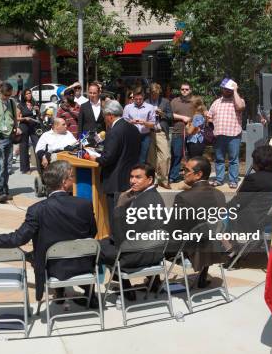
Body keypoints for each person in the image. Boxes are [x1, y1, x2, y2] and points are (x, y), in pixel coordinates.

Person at [0, 160, 98, 306]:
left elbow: (17, 239)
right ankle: (88, 293)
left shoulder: (37, 210)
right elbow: (93, 232)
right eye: (71, 176)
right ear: (64, 182)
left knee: (34, 253)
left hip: (54, 268)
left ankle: (59, 290)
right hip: (83, 264)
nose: (73, 179)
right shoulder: (85, 204)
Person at [99, 163, 166, 299]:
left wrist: (119, 207)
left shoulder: (143, 201)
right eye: (131, 177)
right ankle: (155, 282)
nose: (132, 181)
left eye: (138, 177)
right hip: (156, 253)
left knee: (100, 246)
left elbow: (121, 238)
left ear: (150, 180)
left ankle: (126, 287)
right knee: (107, 241)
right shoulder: (154, 196)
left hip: (136, 256)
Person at [167, 156, 227, 288]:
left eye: (186, 170)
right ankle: (202, 276)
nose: (182, 173)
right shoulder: (219, 194)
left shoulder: (184, 197)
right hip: (213, 245)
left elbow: (172, 229)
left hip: (190, 248)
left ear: (198, 174)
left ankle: (152, 281)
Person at [92, 100, 140, 228]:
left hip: (115, 181)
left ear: (110, 115)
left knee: (116, 217)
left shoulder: (114, 131)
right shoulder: (133, 128)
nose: (104, 120)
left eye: (104, 116)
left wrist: (94, 159)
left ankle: (116, 243)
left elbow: (107, 158)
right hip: (130, 178)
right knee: (128, 215)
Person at [207, 78, 246, 188]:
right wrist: (209, 121)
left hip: (234, 135)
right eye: (226, 89)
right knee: (219, 159)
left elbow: (241, 107)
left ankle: (233, 180)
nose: (227, 91)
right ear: (222, 89)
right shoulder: (216, 102)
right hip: (218, 135)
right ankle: (219, 179)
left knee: (233, 160)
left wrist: (235, 91)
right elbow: (209, 117)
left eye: (230, 89)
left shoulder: (238, 100)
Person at [0, 82, 21, 203]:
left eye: (9, 95)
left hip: (9, 137)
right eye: (5, 95)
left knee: (8, 166)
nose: (7, 97)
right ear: (0, 92)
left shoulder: (11, 102)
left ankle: (5, 188)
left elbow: (14, 117)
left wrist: (16, 127)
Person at [146, 83, 173, 189]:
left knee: (165, 156)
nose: (154, 96)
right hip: (150, 131)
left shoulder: (165, 101)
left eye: (156, 94)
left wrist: (162, 114)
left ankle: (164, 179)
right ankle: (154, 179)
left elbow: (171, 116)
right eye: (153, 94)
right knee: (152, 158)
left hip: (161, 131)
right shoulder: (146, 102)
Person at [169, 83, 194, 183]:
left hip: (193, 133)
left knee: (192, 156)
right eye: (182, 89)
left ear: (190, 90)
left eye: (186, 89)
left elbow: (201, 112)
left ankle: (192, 176)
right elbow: (169, 114)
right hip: (178, 132)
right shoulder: (175, 101)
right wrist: (182, 117)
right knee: (177, 154)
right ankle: (173, 176)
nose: (184, 91)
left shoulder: (194, 101)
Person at [123, 88, 155, 164]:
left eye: (140, 99)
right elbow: (123, 123)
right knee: (131, 157)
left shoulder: (150, 107)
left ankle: (139, 175)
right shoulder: (128, 107)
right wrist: (131, 122)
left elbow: (153, 124)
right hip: (132, 135)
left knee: (142, 158)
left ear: (143, 97)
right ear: (133, 97)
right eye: (136, 99)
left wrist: (144, 123)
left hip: (145, 136)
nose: (138, 101)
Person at [17, 88, 40, 173]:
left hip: (34, 127)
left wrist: (38, 110)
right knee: (24, 146)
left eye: (29, 93)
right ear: (23, 95)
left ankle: (40, 166)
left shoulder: (34, 103)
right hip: (24, 126)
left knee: (37, 144)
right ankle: (25, 168)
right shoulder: (20, 105)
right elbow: (16, 118)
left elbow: (39, 116)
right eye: (26, 94)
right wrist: (24, 118)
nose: (28, 95)